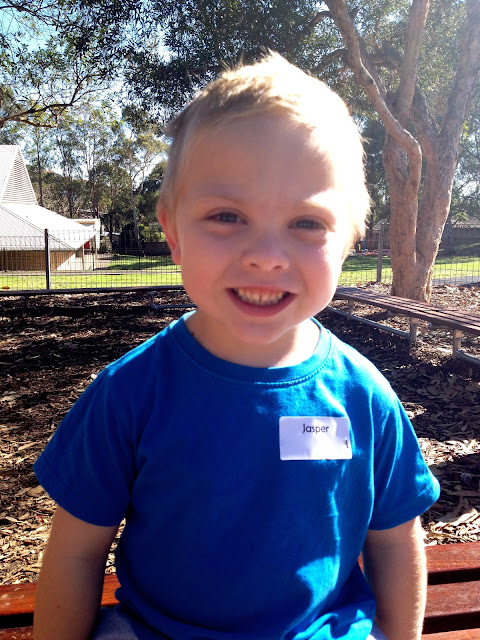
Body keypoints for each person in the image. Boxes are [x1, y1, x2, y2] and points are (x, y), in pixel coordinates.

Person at [33, 52, 440, 640]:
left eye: (307, 223)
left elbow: (396, 541)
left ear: (350, 240)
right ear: (172, 232)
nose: (267, 256)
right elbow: (75, 551)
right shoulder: (129, 393)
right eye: (227, 216)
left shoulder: (365, 397)